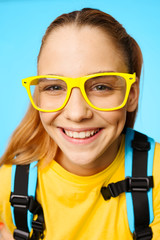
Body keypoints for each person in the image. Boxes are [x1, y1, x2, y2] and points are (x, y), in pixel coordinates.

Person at [0, 8, 160, 240]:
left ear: (131, 95)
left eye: (100, 87)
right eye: (55, 87)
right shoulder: (9, 186)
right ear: (39, 94)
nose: (76, 113)